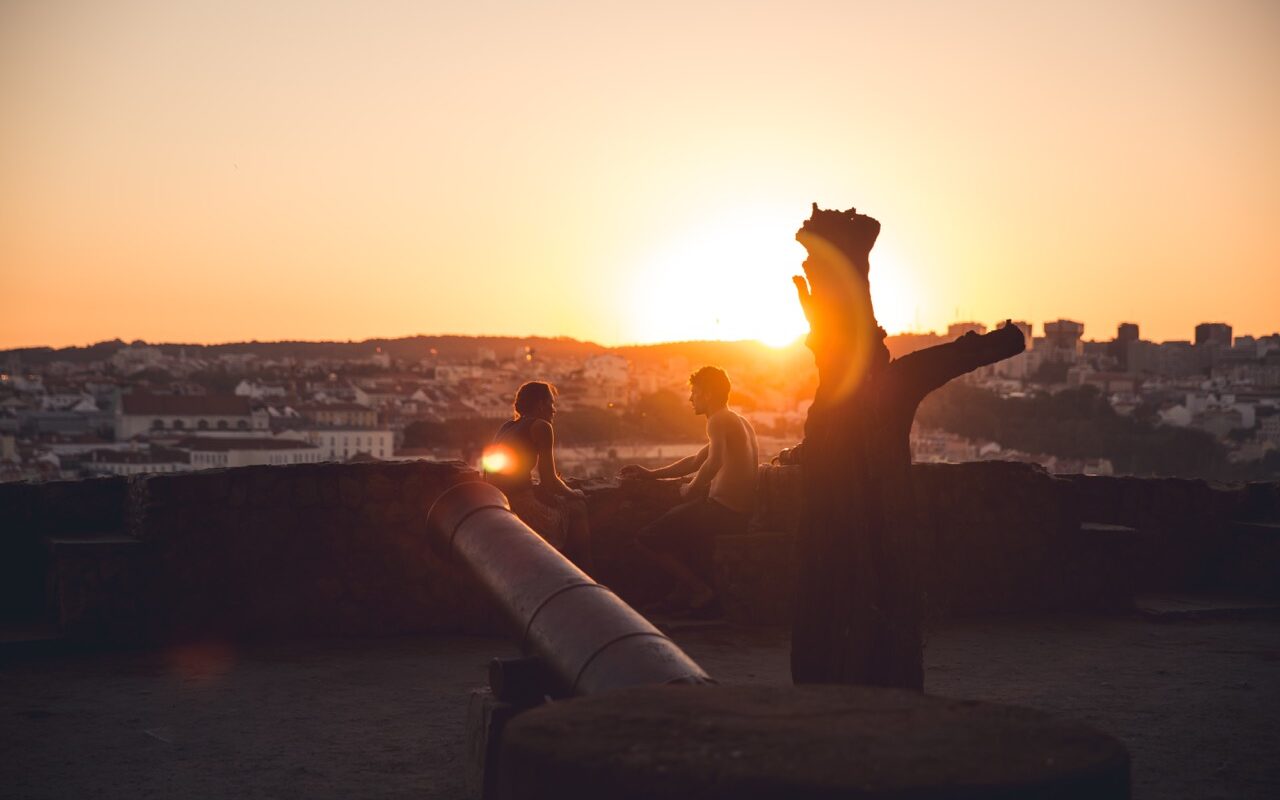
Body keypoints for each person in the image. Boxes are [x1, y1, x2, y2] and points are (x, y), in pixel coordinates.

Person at [619, 366, 759, 616]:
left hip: (723, 510)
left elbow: (713, 462)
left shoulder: (717, 420)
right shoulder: (736, 420)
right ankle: (681, 595)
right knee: (680, 529)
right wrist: (652, 474)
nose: (690, 398)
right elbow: (696, 461)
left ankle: (699, 590)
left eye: (694, 392)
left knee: (647, 538)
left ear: (707, 393)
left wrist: (691, 489)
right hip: (739, 511)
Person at [484, 381, 593, 571]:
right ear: (541, 404)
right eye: (552, 403)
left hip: (498, 502)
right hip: (521, 505)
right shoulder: (541, 427)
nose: (554, 410)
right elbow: (550, 481)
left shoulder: (507, 426)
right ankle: (585, 570)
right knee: (578, 508)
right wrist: (574, 493)